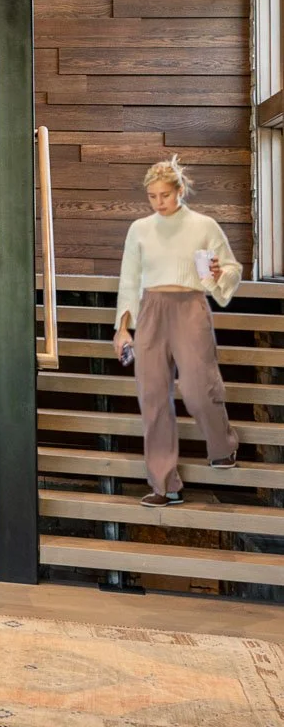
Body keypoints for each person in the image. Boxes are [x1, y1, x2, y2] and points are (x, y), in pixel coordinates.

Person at [114, 157, 242, 507]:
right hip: (151, 310)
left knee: (200, 387)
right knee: (153, 396)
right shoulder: (139, 229)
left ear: (180, 191)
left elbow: (231, 268)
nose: (159, 202)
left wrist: (217, 275)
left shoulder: (204, 225)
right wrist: (122, 329)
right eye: (153, 196)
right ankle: (164, 484)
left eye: (165, 195)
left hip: (190, 307)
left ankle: (222, 446)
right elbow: (129, 279)